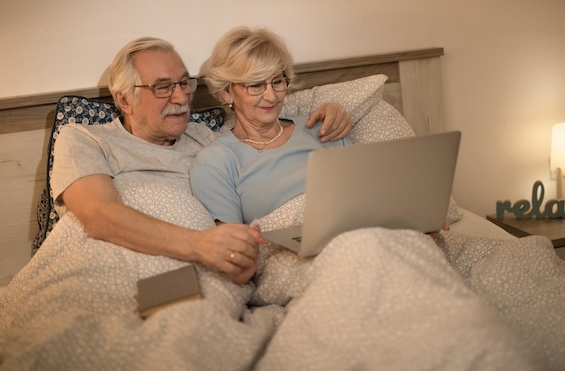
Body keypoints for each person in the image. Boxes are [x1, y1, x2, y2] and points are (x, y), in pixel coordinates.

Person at [51, 36, 352, 284]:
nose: (182, 98)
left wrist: (332, 109)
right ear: (124, 99)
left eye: (184, 83)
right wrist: (202, 246)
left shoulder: (204, 137)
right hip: (116, 260)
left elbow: (265, 117)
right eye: (163, 87)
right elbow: (100, 217)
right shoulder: (84, 138)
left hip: (195, 271)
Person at [189, 27, 351, 225]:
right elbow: (234, 244)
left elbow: (366, 192)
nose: (271, 96)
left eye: (277, 81)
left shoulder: (322, 129)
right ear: (227, 92)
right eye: (256, 85)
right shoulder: (215, 162)